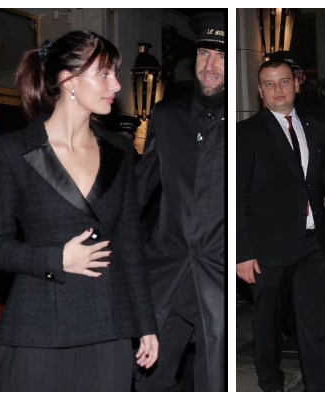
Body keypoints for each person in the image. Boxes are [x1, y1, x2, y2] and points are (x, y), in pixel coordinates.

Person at [0, 30, 158, 392]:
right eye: (104, 74)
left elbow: (130, 245)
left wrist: (146, 323)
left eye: (114, 74)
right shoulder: (13, 151)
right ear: (69, 81)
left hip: (109, 326)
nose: (116, 85)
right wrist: (56, 259)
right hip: (41, 326)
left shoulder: (120, 150)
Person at [237, 59, 325, 392]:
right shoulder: (245, 133)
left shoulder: (318, 128)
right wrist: (242, 252)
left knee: (316, 324)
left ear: (297, 84)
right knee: (268, 325)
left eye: (284, 81)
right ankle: (271, 385)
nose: (278, 89)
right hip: (267, 249)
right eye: (269, 84)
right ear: (260, 91)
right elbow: (237, 194)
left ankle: (318, 389)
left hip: (315, 243)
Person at [135, 12, 226, 392]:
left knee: (213, 381)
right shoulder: (167, 117)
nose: (210, 66)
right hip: (167, 271)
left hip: (217, 276)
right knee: (148, 379)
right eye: (204, 53)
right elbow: (139, 188)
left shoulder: (241, 131)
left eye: (220, 56)